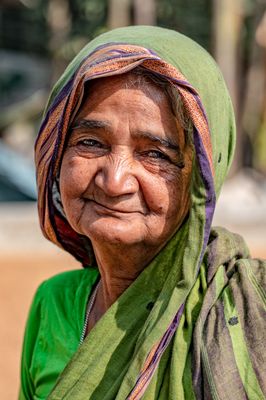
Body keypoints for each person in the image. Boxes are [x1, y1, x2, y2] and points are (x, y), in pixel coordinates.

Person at [19, 26, 265, 400]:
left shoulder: (246, 313)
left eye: (154, 154)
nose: (115, 181)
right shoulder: (54, 304)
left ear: (202, 176)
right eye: (90, 143)